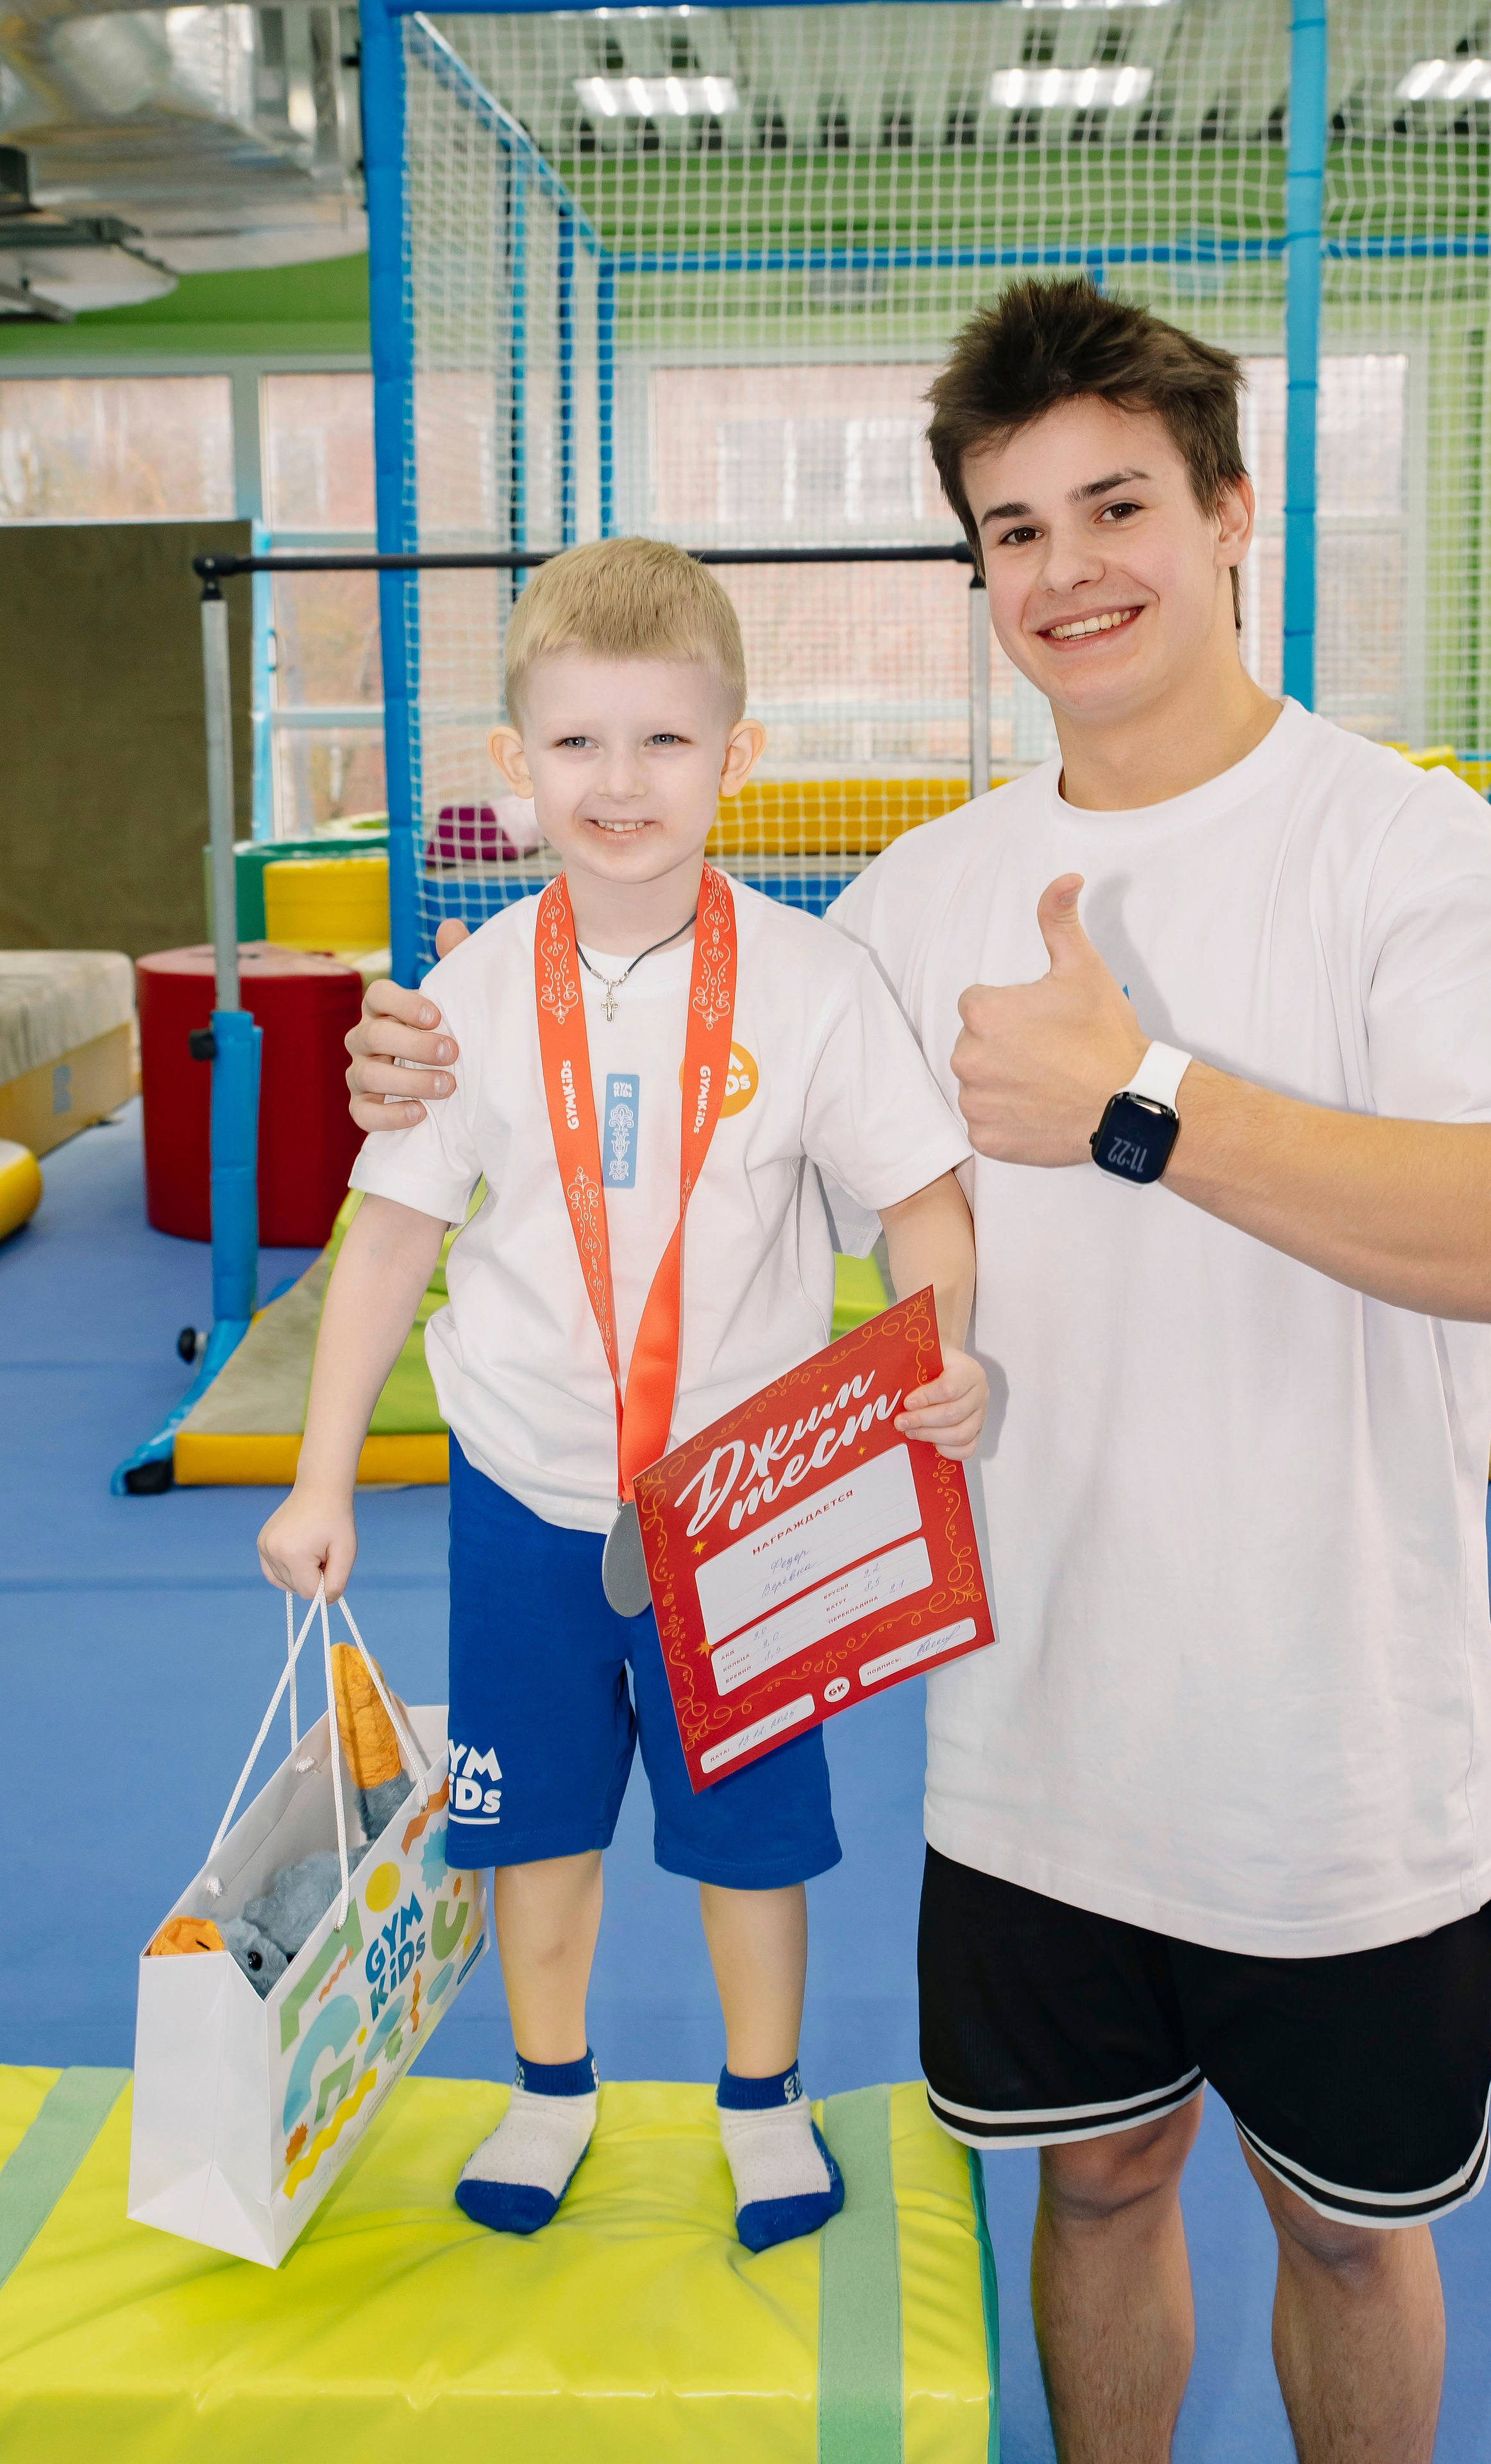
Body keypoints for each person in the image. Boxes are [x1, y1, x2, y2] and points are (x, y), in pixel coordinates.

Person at [341, 288, 1491, 2460]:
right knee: (1095, 2182)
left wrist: (1148, 1097)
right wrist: (426, 1072)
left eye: (1118, 506)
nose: (1068, 569)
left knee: (1345, 2236)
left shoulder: (1405, 848)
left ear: (1233, 513)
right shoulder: (915, 903)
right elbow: (651, 1085)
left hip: (1335, 1752)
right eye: (1015, 529)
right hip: (1030, 1739)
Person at [260, 537, 986, 2255]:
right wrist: (320, 1476)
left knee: (755, 1841)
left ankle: (764, 2100)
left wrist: (946, 1345)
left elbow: (924, 1200)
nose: (620, 781)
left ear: (739, 756)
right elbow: (389, 1240)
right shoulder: (467, 997)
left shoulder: (813, 986)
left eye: (665, 740)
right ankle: (550, 2085)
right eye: (578, 741)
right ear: (513, 764)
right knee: (533, 1828)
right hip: (523, 1495)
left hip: (747, 1506)